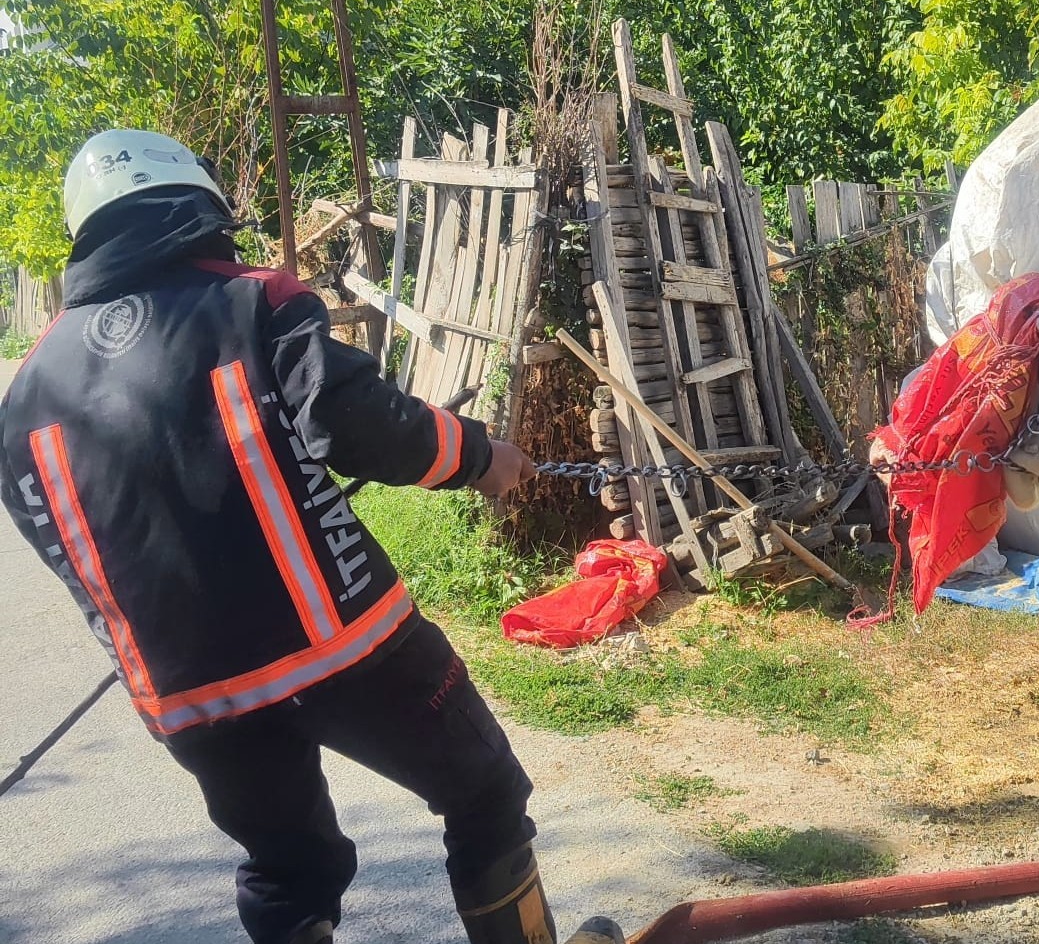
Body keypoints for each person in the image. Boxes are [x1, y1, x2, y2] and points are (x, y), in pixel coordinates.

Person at [0, 130, 623, 944]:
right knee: (483, 790)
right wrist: (479, 456)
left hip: (192, 699)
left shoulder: (26, 392)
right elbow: (346, 417)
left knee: (287, 868)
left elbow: (67, 546)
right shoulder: (248, 301)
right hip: (344, 644)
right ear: (197, 206)